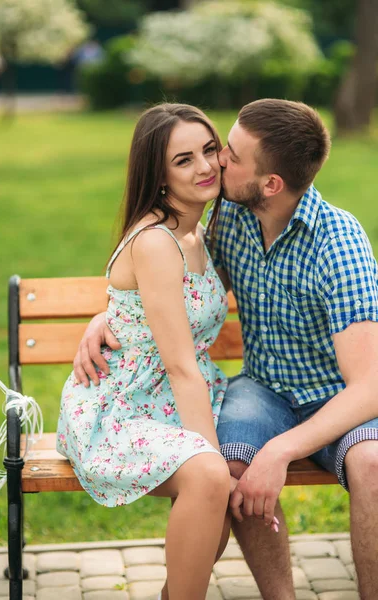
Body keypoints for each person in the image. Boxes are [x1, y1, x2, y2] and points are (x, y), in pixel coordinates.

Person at [74, 98, 378, 600]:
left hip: (339, 395)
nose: (217, 163)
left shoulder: (337, 242)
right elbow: (172, 285)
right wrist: (111, 315)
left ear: (271, 184)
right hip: (263, 388)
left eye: (228, 154)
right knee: (229, 466)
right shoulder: (231, 218)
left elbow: (369, 386)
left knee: (372, 464)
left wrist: (280, 451)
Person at [57, 103, 278, 600]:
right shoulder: (156, 241)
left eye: (208, 150)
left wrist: (104, 317)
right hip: (121, 406)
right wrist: (209, 456)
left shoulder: (203, 231)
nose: (204, 166)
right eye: (183, 160)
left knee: (234, 469)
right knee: (209, 476)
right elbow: (178, 365)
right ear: (158, 175)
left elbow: (146, 312)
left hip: (179, 397)